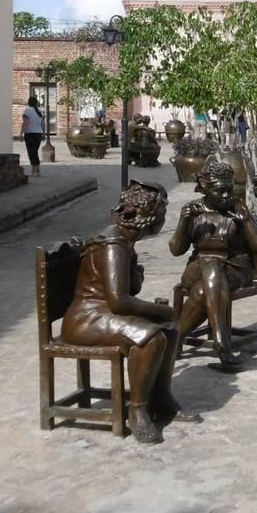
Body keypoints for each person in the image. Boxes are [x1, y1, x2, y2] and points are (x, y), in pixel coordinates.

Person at [61, 182, 198, 444]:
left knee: (170, 328)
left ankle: (161, 397)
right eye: (161, 213)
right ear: (150, 217)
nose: (162, 218)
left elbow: (126, 290)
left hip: (101, 314)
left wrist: (136, 273)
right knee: (151, 338)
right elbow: (120, 302)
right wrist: (163, 309)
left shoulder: (124, 242)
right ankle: (138, 409)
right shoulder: (114, 244)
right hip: (86, 319)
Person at [170, 156, 257, 372]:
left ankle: (174, 337)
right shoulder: (193, 210)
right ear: (205, 188)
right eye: (219, 190)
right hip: (197, 267)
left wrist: (245, 221)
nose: (226, 195)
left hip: (235, 268)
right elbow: (176, 250)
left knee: (201, 291)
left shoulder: (238, 209)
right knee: (210, 267)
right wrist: (183, 222)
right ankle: (221, 343)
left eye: (229, 189)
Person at [21, 95, 45, 174]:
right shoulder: (40, 111)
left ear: (29, 103)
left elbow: (25, 123)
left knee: (31, 152)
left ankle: (35, 167)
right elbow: (42, 123)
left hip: (29, 134)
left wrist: (21, 133)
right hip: (38, 134)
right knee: (34, 151)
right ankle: (36, 168)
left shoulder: (27, 111)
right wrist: (43, 134)